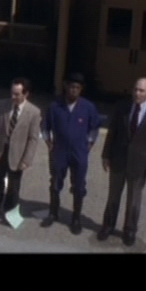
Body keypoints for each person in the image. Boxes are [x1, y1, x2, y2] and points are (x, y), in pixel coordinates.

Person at [98, 77, 146, 247]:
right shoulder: (122, 107)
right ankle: (108, 225)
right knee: (113, 196)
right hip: (118, 159)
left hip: (139, 164)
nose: (137, 93)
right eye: (135, 89)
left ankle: (129, 230)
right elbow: (112, 132)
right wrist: (106, 155)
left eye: (141, 90)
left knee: (134, 200)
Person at [40, 72, 101, 234]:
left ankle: (76, 219)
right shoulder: (55, 106)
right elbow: (45, 127)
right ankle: (53, 213)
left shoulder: (88, 107)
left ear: (81, 89)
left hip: (79, 153)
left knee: (79, 186)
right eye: (71, 86)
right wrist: (48, 144)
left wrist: (89, 145)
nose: (74, 90)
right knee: (55, 183)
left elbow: (94, 128)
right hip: (59, 151)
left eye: (77, 88)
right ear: (66, 86)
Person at [0, 77, 42, 225]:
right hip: (0, 151)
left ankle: (9, 215)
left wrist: (27, 160)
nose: (13, 97)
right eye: (12, 93)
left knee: (13, 188)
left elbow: (33, 138)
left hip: (18, 155)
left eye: (17, 94)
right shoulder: (1, 105)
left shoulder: (34, 112)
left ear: (26, 94)